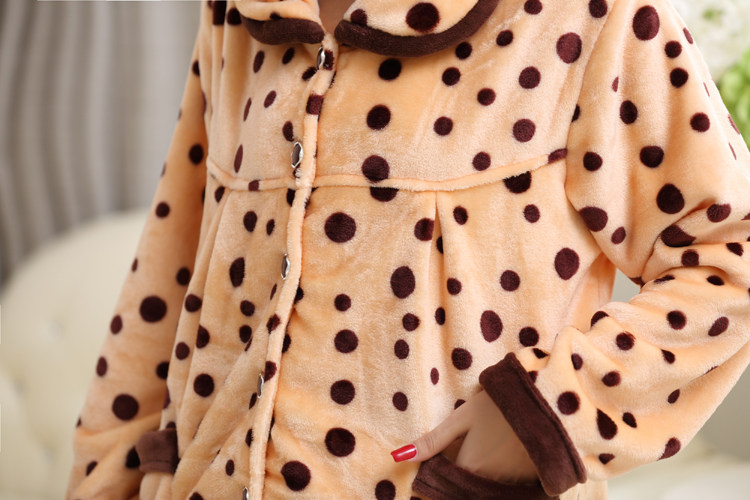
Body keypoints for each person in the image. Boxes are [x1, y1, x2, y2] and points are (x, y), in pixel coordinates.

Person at [67, 0, 750, 498]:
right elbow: (172, 266)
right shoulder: (238, 14)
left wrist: (543, 414)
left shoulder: (588, 14)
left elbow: (732, 252)